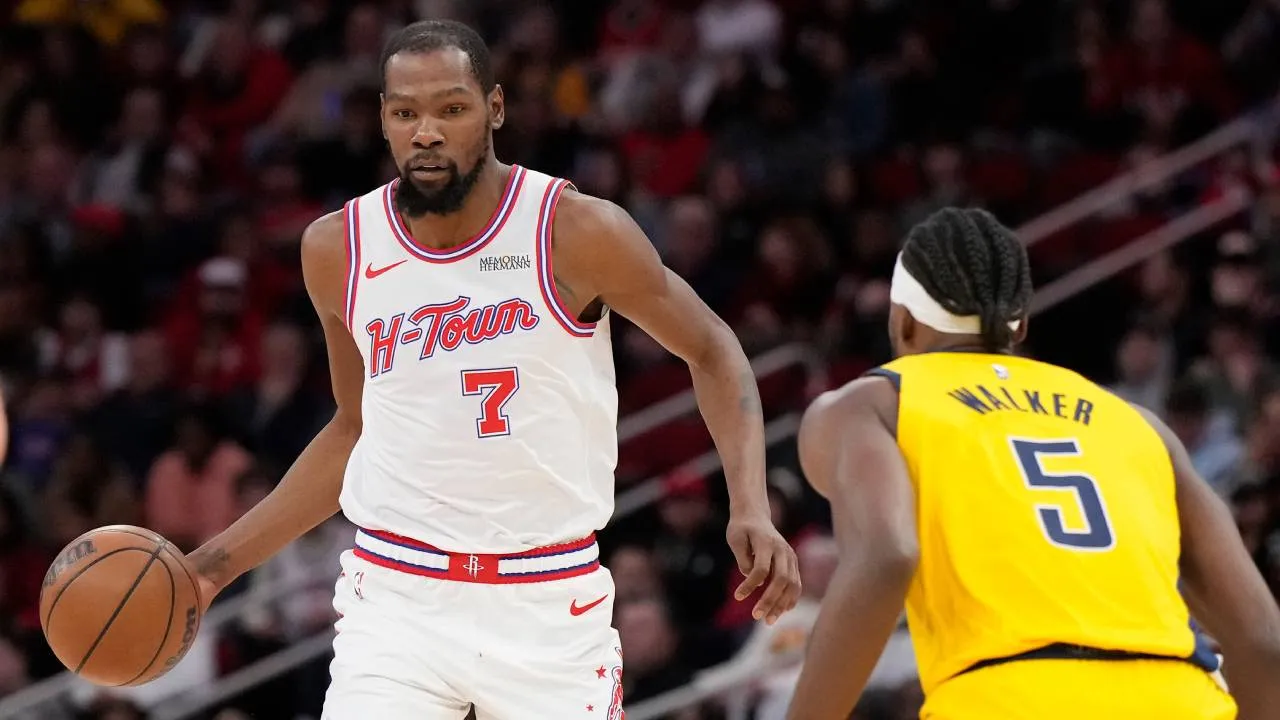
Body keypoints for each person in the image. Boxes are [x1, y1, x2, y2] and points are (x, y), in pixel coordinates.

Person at [183, 19, 801, 720]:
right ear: (382, 118)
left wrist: (749, 503)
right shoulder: (338, 249)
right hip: (397, 603)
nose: (425, 132)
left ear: (495, 108)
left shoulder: (574, 230)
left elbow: (713, 347)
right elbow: (354, 431)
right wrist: (213, 567)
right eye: (404, 112)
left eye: (450, 108)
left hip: (548, 602)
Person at [786, 207, 1280, 720]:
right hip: (1181, 693)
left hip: (1009, 695)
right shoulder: (1138, 422)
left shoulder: (870, 405)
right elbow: (1262, 638)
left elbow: (887, 555)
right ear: (1018, 327)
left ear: (903, 320)